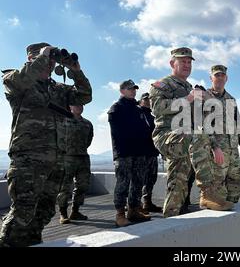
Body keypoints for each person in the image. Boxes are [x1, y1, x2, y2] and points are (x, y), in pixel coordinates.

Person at [0, 42, 92, 247]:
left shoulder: (58, 89)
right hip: (28, 159)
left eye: (52, 60)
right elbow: (20, 81)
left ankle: (33, 242)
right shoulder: (15, 80)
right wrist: (44, 55)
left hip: (57, 161)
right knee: (23, 212)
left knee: (45, 211)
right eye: (47, 59)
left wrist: (76, 71)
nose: (50, 64)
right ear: (32, 59)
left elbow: (85, 95)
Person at [148, 47, 234, 218]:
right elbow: (157, 108)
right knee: (194, 135)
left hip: (186, 139)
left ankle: (169, 221)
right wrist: (187, 99)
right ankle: (207, 193)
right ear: (172, 63)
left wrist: (214, 145)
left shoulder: (189, 87)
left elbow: (199, 121)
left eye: (189, 62)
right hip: (167, 136)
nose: (187, 65)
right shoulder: (163, 85)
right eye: (183, 61)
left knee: (178, 184)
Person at [108, 80, 152, 227]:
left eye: (134, 89)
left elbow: (145, 131)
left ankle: (133, 210)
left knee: (138, 182)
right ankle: (120, 214)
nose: (133, 91)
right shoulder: (116, 108)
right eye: (130, 89)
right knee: (123, 183)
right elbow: (118, 133)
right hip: (125, 153)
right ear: (122, 91)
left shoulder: (138, 109)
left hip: (139, 152)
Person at [206, 65, 240, 203]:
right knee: (217, 186)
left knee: (235, 185)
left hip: (233, 151)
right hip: (217, 151)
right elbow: (203, 126)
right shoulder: (205, 98)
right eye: (216, 75)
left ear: (226, 78)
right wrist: (214, 147)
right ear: (211, 78)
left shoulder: (231, 99)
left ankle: (234, 216)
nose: (220, 78)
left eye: (222, 75)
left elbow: (238, 124)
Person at [57, 105, 94, 224]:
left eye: (81, 105)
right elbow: (58, 139)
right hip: (67, 158)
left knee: (83, 186)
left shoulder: (87, 123)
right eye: (76, 104)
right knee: (65, 187)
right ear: (70, 106)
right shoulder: (63, 121)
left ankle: (75, 211)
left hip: (83, 157)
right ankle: (63, 213)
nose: (79, 107)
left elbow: (89, 140)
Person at [138, 92, 162, 213]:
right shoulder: (137, 114)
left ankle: (147, 203)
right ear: (141, 101)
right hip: (140, 153)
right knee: (138, 179)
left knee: (151, 179)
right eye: (146, 99)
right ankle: (136, 205)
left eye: (150, 99)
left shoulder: (154, 117)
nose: (148, 101)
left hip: (152, 152)